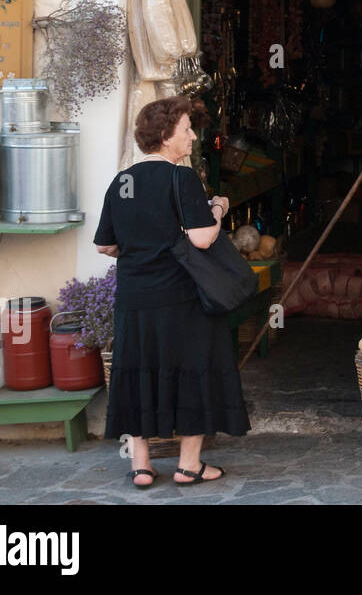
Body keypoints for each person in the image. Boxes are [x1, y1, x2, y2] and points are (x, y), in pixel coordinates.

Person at [93, 95, 251, 488]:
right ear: (165, 136)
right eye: (186, 130)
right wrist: (217, 208)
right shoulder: (181, 178)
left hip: (133, 299)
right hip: (181, 298)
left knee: (137, 374)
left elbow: (106, 246)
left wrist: (141, 243)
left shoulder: (122, 180)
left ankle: (142, 466)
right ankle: (188, 465)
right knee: (195, 370)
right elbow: (201, 239)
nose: (193, 137)